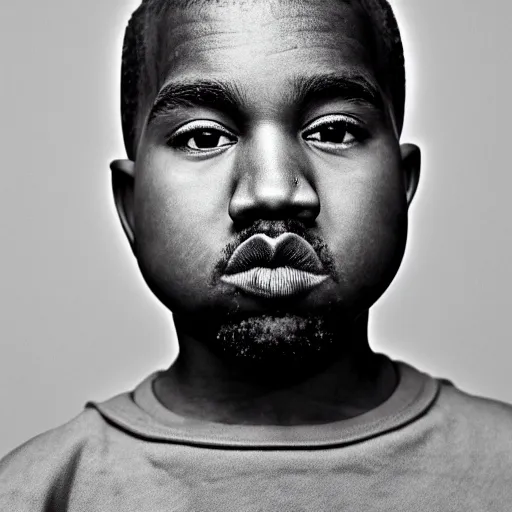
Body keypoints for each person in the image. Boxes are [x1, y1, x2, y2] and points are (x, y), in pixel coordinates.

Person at [1, 0, 511, 509]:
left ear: (403, 186)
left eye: (333, 131)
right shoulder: (37, 492)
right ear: (131, 207)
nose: (272, 191)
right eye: (203, 137)